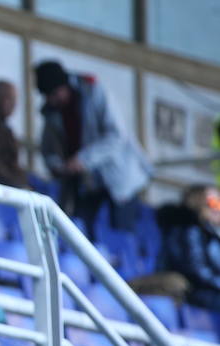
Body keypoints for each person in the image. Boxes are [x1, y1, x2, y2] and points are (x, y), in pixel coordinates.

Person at [35, 60, 150, 236]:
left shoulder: (95, 92)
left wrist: (83, 159)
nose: (53, 99)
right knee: (83, 234)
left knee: (121, 234)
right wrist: (58, 166)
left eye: (55, 93)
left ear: (65, 86)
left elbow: (117, 135)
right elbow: (48, 150)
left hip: (118, 178)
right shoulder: (51, 113)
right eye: (48, 96)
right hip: (86, 184)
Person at [158, 184, 220, 310]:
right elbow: (195, 270)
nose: (218, 208)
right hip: (192, 289)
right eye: (214, 202)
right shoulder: (189, 230)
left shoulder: (210, 232)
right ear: (199, 203)